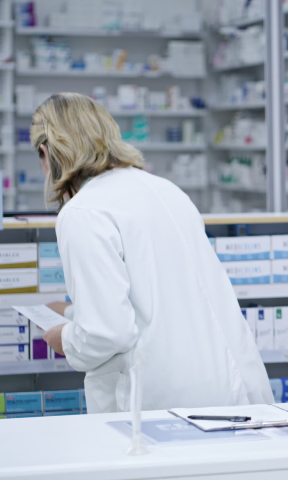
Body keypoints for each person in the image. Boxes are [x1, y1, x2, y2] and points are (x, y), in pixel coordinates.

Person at [34, 93, 274, 413]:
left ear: (46, 151)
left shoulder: (83, 212)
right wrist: (73, 312)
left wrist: (62, 338)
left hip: (166, 402)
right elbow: (161, 300)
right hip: (236, 384)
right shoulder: (163, 189)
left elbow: (108, 334)